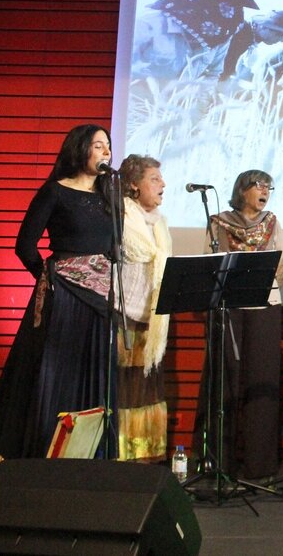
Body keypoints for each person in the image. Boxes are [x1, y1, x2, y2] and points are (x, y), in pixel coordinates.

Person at [0, 124, 118, 459]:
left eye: (108, 147)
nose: (106, 153)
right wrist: (49, 277)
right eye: (98, 146)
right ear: (80, 148)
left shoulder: (111, 196)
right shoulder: (55, 191)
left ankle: (91, 455)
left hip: (101, 297)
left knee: (96, 371)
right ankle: (46, 455)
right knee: (57, 371)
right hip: (64, 295)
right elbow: (25, 245)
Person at [193, 169, 283, 480]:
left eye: (268, 187)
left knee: (261, 384)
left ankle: (260, 464)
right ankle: (221, 462)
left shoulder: (272, 222)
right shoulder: (218, 221)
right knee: (226, 382)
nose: (265, 191)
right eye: (259, 186)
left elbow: (282, 267)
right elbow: (210, 265)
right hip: (228, 308)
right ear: (242, 190)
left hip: (263, 306)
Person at [116, 154, 172, 463]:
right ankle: (121, 456)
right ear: (135, 186)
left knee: (146, 389)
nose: (163, 184)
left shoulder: (160, 223)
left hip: (151, 321)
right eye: (154, 179)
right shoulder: (121, 217)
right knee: (124, 390)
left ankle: (146, 456)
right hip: (122, 316)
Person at [131, 0, 258, 87]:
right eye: (229, 6)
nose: (234, 15)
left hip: (175, 109)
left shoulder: (220, 36)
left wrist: (196, 106)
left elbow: (212, 74)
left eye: (237, 8)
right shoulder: (149, 24)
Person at [221, 10, 283, 84]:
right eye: (280, 34)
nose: (282, 40)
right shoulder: (240, 37)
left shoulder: (247, 37)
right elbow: (223, 74)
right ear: (264, 27)